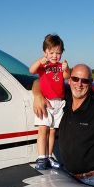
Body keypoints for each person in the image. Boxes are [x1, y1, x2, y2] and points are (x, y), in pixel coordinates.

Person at [29, 34, 70, 171]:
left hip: (59, 103)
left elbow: (66, 77)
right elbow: (31, 70)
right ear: (45, 52)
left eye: (58, 53)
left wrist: (66, 68)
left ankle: (49, 156)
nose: (54, 55)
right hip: (46, 103)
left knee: (52, 132)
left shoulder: (59, 66)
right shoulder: (43, 65)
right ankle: (41, 157)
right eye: (51, 52)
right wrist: (40, 61)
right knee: (43, 130)